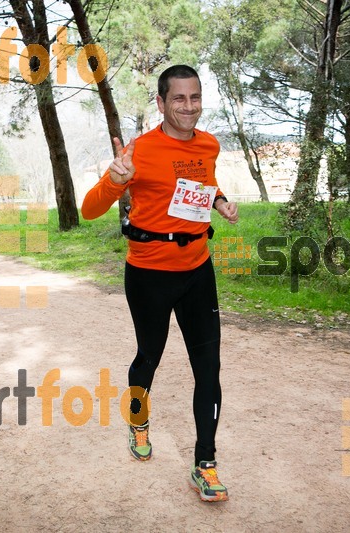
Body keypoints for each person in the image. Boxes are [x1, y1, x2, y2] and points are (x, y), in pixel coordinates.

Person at [82, 65, 239, 503]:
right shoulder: (141, 150)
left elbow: (203, 183)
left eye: (194, 98)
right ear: (161, 103)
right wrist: (115, 180)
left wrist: (221, 201)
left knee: (209, 367)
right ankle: (138, 419)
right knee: (149, 356)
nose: (188, 107)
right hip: (149, 272)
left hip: (198, 268)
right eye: (178, 99)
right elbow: (90, 209)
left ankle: (205, 464)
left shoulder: (208, 144)